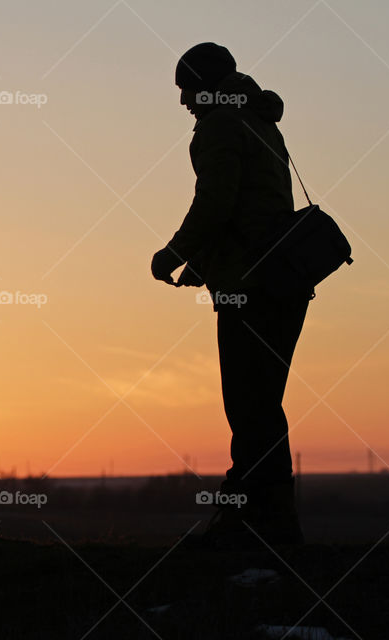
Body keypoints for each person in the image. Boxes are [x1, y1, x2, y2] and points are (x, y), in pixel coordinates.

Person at [151, 42, 312, 548]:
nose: (183, 103)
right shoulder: (259, 117)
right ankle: (261, 521)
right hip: (282, 278)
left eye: (186, 90)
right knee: (260, 405)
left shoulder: (222, 122)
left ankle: (255, 524)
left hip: (252, 286)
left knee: (249, 406)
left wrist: (174, 252)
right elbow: (251, 208)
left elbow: (217, 202)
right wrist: (204, 264)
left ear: (206, 84)